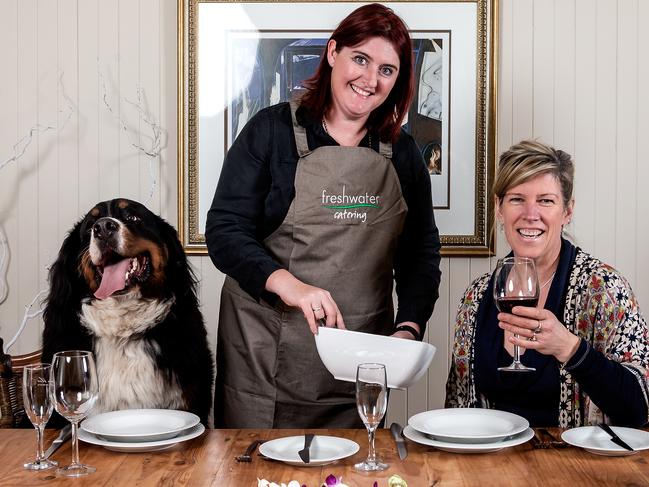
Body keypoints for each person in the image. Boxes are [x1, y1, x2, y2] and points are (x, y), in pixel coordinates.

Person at [206, 3, 441, 428]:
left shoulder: (402, 154)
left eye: (387, 70)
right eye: (361, 59)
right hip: (264, 362)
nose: (370, 80)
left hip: (361, 360)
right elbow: (224, 231)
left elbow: (420, 252)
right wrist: (290, 286)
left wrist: (409, 326)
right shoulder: (270, 132)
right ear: (333, 52)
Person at [445, 140, 649, 427]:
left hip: (576, 467)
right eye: (517, 199)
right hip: (490, 465)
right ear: (499, 208)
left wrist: (570, 349)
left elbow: (638, 408)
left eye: (546, 201)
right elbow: (457, 405)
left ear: (567, 211)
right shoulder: (477, 296)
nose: (531, 214)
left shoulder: (604, 289)